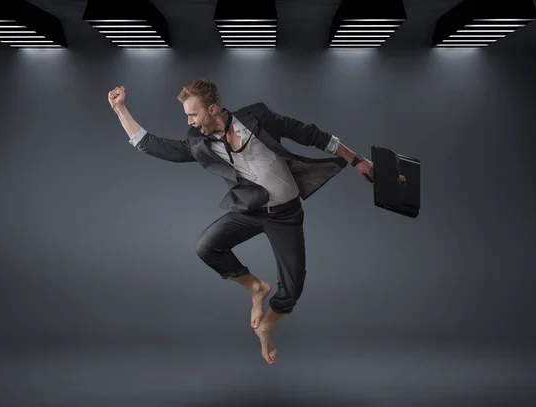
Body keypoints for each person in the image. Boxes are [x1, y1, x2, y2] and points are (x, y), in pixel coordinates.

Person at [109, 79, 374, 364]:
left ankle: (268, 324)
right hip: (250, 211)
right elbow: (151, 145)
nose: (189, 121)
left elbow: (310, 134)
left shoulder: (257, 117)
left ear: (213, 109)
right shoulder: (199, 143)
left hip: (286, 215)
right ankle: (255, 287)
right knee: (206, 247)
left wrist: (355, 159)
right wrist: (120, 109)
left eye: (193, 114)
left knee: (293, 288)